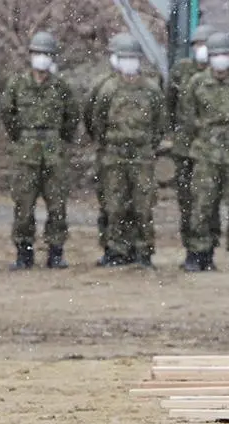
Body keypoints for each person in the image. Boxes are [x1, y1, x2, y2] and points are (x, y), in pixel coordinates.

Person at [1, 31, 78, 270]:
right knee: (23, 205)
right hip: (26, 151)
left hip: (54, 152)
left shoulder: (61, 87)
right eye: (37, 54)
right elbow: (8, 115)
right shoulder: (17, 84)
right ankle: (24, 253)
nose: (41, 59)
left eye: (46, 54)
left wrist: (59, 139)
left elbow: (71, 118)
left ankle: (56, 252)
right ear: (30, 56)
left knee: (57, 205)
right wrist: (23, 136)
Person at [89, 37, 166, 269]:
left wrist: (147, 146)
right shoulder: (109, 89)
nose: (129, 63)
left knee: (143, 206)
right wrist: (110, 143)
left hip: (142, 156)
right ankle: (116, 250)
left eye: (133, 58)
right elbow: (96, 121)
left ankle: (143, 251)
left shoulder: (151, 89)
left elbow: (160, 124)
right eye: (125, 59)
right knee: (115, 204)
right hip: (114, 155)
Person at [181, 31, 229, 272]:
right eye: (216, 55)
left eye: (225, 54)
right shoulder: (197, 83)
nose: (220, 59)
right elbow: (188, 117)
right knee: (202, 205)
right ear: (209, 58)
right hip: (206, 153)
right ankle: (201, 253)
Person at [85, 32, 135, 265]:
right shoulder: (102, 84)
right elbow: (92, 117)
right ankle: (111, 247)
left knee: (135, 202)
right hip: (109, 152)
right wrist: (103, 140)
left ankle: (132, 246)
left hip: (135, 153)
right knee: (109, 202)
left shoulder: (143, 84)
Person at [167, 24, 215, 257]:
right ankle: (191, 249)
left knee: (208, 200)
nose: (202, 49)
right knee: (187, 200)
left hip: (210, 148)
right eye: (198, 45)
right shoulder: (181, 71)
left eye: (206, 45)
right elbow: (169, 103)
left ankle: (208, 248)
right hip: (185, 146)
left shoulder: (223, 75)